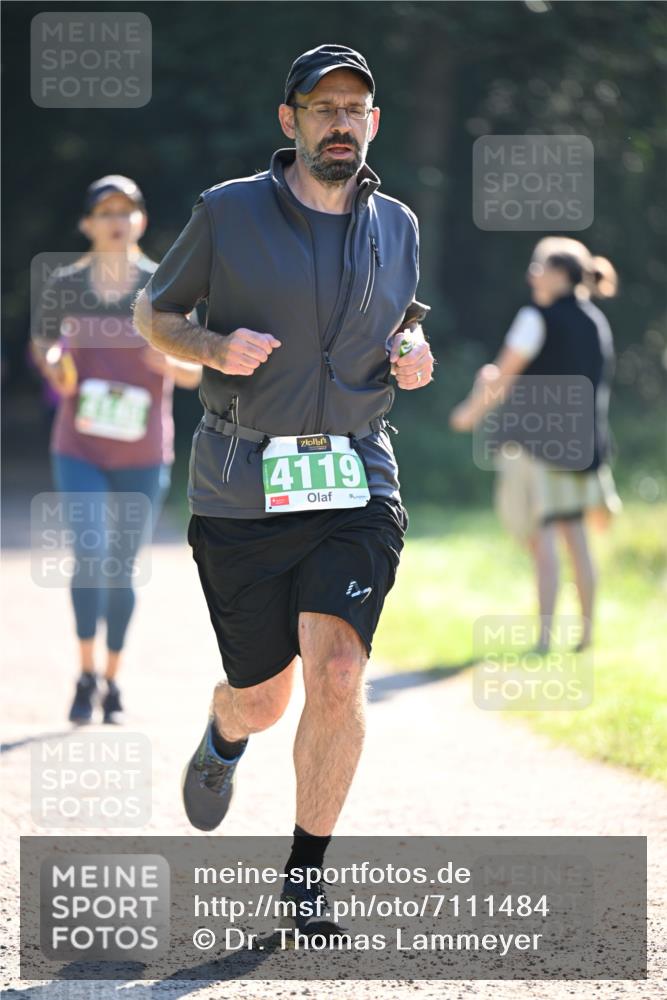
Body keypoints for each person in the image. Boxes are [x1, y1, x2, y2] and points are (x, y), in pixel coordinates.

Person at [133, 44, 434, 935]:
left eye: (354, 108)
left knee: (337, 670)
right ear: (289, 120)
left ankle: (304, 878)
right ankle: (225, 732)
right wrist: (211, 349)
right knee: (264, 696)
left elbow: (403, 329)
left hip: (354, 475)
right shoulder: (227, 213)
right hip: (241, 483)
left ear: (371, 123)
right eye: (322, 106)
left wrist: (412, 360)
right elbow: (157, 313)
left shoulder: (400, 226)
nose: (339, 121)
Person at [31, 175, 201, 724]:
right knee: (89, 552)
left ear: (141, 222)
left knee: (122, 568)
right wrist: (54, 362)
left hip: (144, 451)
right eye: (105, 210)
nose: (115, 220)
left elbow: (197, 372)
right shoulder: (65, 283)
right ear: (87, 224)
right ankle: (82, 674)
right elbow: (45, 343)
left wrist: (169, 364)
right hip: (78, 445)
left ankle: (113, 679)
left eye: (126, 210)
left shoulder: (163, 284)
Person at [450, 236, 621, 653]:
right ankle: (585, 636)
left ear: (560, 275)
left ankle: (544, 639)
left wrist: (466, 416)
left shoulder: (535, 317)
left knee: (542, 538)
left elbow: (504, 376)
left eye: (538, 266)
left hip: (540, 448)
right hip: (584, 447)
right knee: (576, 537)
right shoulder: (595, 320)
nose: (531, 274)